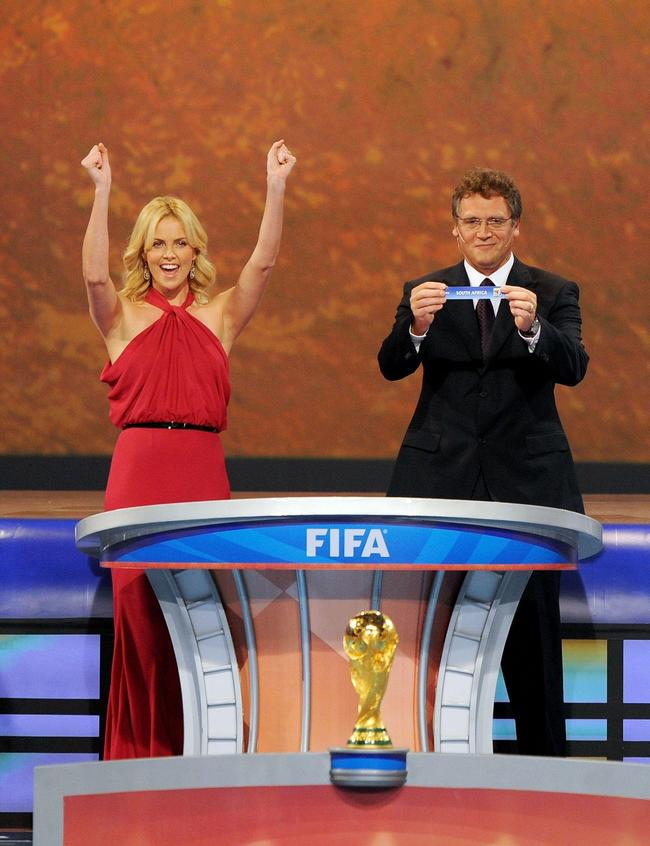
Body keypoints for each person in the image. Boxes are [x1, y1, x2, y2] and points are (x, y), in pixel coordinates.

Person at [81, 139, 296, 759]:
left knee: (204, 621)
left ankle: (201, 761)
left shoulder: (220, 316)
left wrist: (276, 187)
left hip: (201, 477)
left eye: (180, 242)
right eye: (158, 243)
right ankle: (141, 761)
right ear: (143, 253)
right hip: (139, 478)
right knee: (143, 624)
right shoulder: (121, 318)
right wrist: (101, 190)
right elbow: (94, 275)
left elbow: (262, 266)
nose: (170, 254)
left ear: (196, 250)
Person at [378, 167, 588, 756]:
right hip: (441, 485)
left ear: (516, 226)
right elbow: (391, 365)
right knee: (431, 639)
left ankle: (546, 774)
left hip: (528, 490)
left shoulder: (553, 291)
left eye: (496, 220)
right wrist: (416, 327)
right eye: (472, 221)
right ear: (455, 228)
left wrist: (535, 329)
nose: (484, 231)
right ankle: (428, 765)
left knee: (533, 645)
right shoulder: (426, 290)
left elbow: (574, 367)